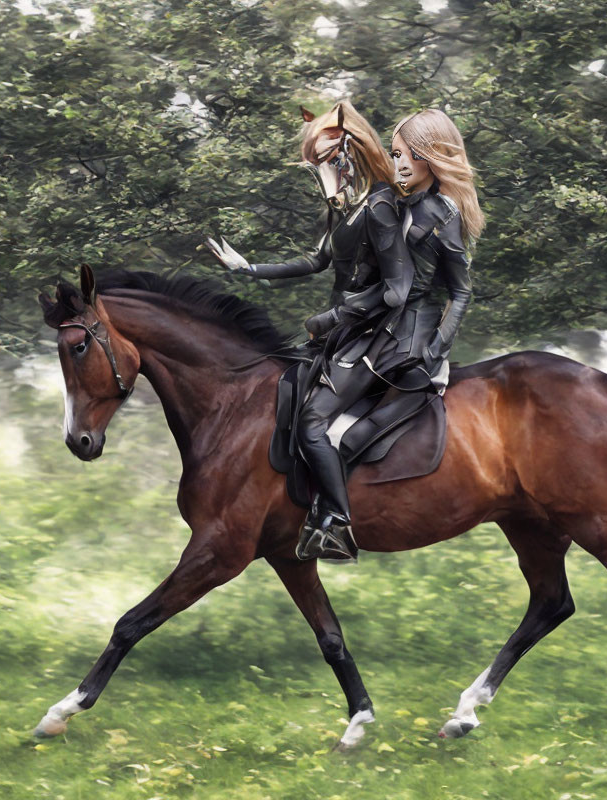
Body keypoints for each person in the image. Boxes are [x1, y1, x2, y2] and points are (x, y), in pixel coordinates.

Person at [206, 100, 413, 562]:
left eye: (324, 163)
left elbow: (399, 289)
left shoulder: (380, 206)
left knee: (314, 421)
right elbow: (317, 261)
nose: (320, 176)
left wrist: (340, 316)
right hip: (342, 331)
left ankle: (336, 524)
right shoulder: (347, 207)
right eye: (315, 167)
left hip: (376, 336)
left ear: (349, 151)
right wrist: (248, 268)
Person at [385, 109, 483, 396]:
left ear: (430, 155)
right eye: (395, 155)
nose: (398, 164)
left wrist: (435, 349)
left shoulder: (445, 214)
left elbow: (461, 292)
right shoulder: (401, 205)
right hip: (383, 328)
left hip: (416, 344)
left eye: (405, 154)